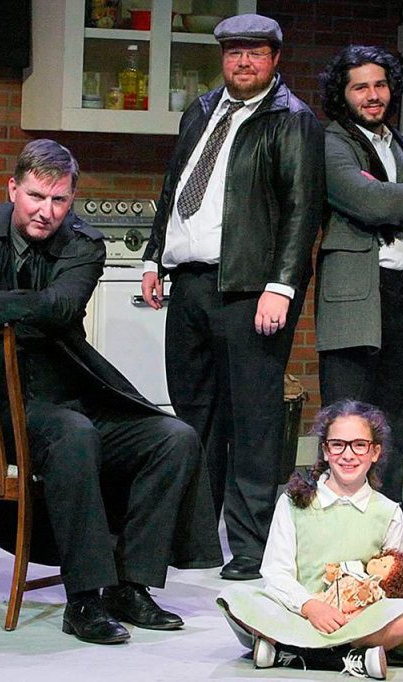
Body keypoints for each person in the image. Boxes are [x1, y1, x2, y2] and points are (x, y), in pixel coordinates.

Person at [0, 139, 223, 644]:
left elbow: (58, 305)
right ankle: (83, 600)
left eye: (59, 200)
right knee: (73, 434)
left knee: (174, 437)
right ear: (13, 188)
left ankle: (130, 585)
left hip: (63, 397)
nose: (46, 211)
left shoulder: (83, 244)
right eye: (36, 196)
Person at [140, 13, 324, 582]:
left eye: (256, 53)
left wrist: (283, 285)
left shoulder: (291, 119)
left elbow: (302, 208)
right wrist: (154, 256)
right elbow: (174, 187)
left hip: (252, 288)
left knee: (253, 422)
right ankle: (195, 539)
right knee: (193, 414)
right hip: (192, 282)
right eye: (234, 52)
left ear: (274, 58)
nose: (243, 62)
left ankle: (251, 545)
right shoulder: (202, 110)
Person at [315, 45, 403, 574]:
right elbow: (365, 200)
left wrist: (400, 200)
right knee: (345, 421)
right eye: (360, 87)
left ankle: (392, 542)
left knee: (393, 424)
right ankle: (338, 540)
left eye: (379, 85)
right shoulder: (333, 142)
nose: (372, 96)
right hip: (355, 296)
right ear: (342, 93)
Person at [216, 400, 403, 678]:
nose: (348, 455)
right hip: (299, 613)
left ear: (375, 452)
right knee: (236, 599)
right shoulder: (294, 503)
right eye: (338, 444)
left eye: (359, 445)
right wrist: (310, 606)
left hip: (355, 620)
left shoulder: (387, 512)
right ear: (326, 451)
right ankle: (347, 657)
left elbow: (394, 582)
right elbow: (275, 571)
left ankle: (291, 653)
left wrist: (358, 612)